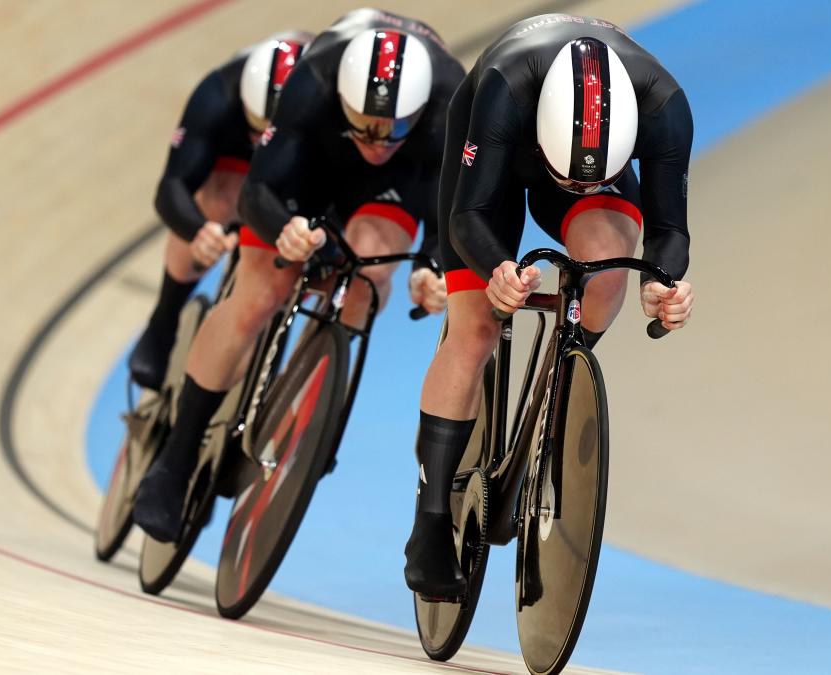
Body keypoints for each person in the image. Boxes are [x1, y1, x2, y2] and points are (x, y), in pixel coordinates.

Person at [133, 8, 464, 543]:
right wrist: (282, 230)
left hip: (402, 179)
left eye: (394, 128)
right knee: (260, 293)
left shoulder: (452, 107)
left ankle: (309, 388)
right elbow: (256, 191)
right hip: (316, 161)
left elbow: (452, 208)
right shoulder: (312, 82)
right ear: (342, 99)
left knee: (367, 277)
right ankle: (175, 459)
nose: (379, 141)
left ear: (421, 111)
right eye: (368, 125)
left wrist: (431, 265)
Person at [403, 14, 696, 599]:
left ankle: (559, 386)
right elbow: (468, 218)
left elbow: (670, 230)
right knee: (476, 328)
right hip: (499, 159)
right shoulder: (505, 89)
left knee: (610, 268)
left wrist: (665, 284)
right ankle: (430, 519)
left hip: (587, 150)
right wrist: (499, 273)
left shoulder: (663, 106)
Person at [128, 33, 313, 391]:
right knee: (221, 195)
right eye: (258, 130)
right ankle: (164, 319)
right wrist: (199, 231)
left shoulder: (321, 104)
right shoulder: (217, 94)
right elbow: (172, 186)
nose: (265, 143)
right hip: (234, 160)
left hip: (298, 159)